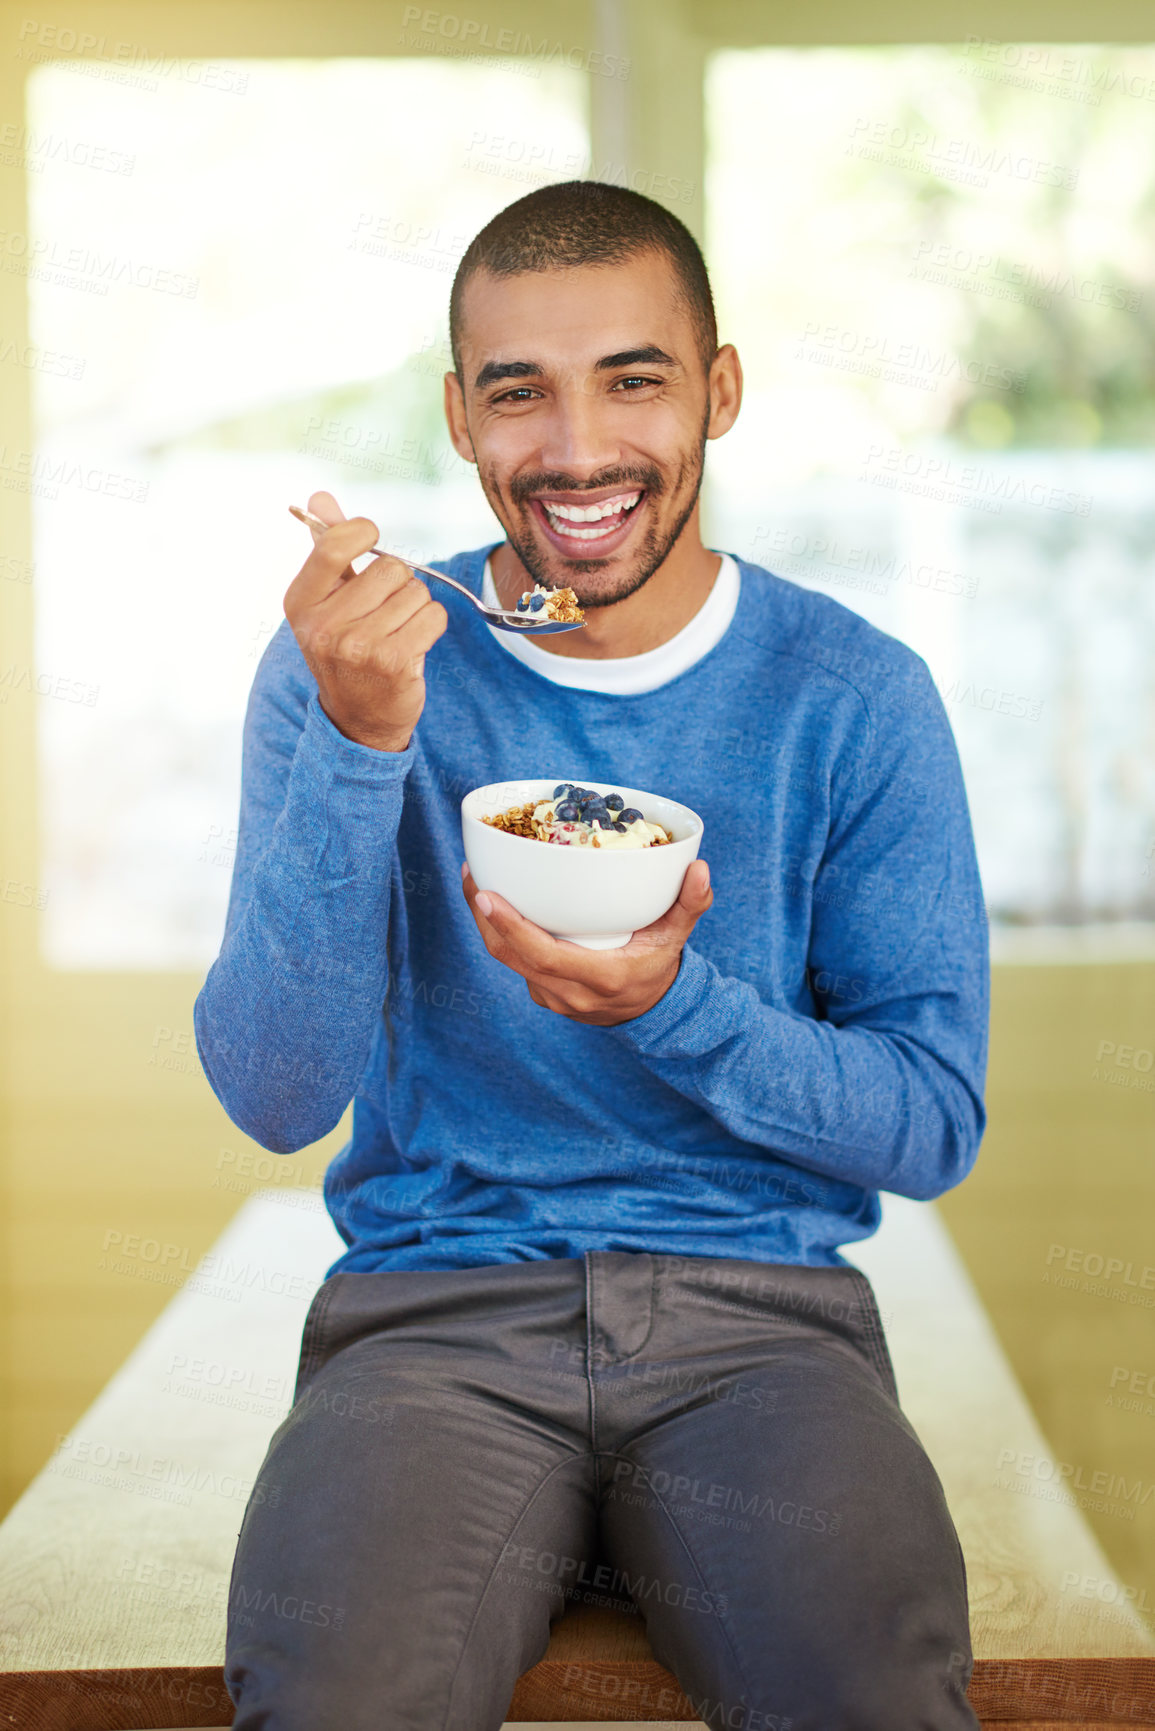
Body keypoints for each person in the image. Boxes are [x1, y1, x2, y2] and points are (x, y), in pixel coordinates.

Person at [195, 178, 988, 1730]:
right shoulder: (356, 667)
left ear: (722, 391)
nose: (575, 450)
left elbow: (931, 1123)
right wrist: (366, 749)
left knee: (875, 1702)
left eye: (634, 378)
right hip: (431, 1326)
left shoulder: (854, 695)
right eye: (519, 394)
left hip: (767, 1332)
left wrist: (676, 1008)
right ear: (458, 418)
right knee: (341, 1700)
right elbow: (277, 1096)